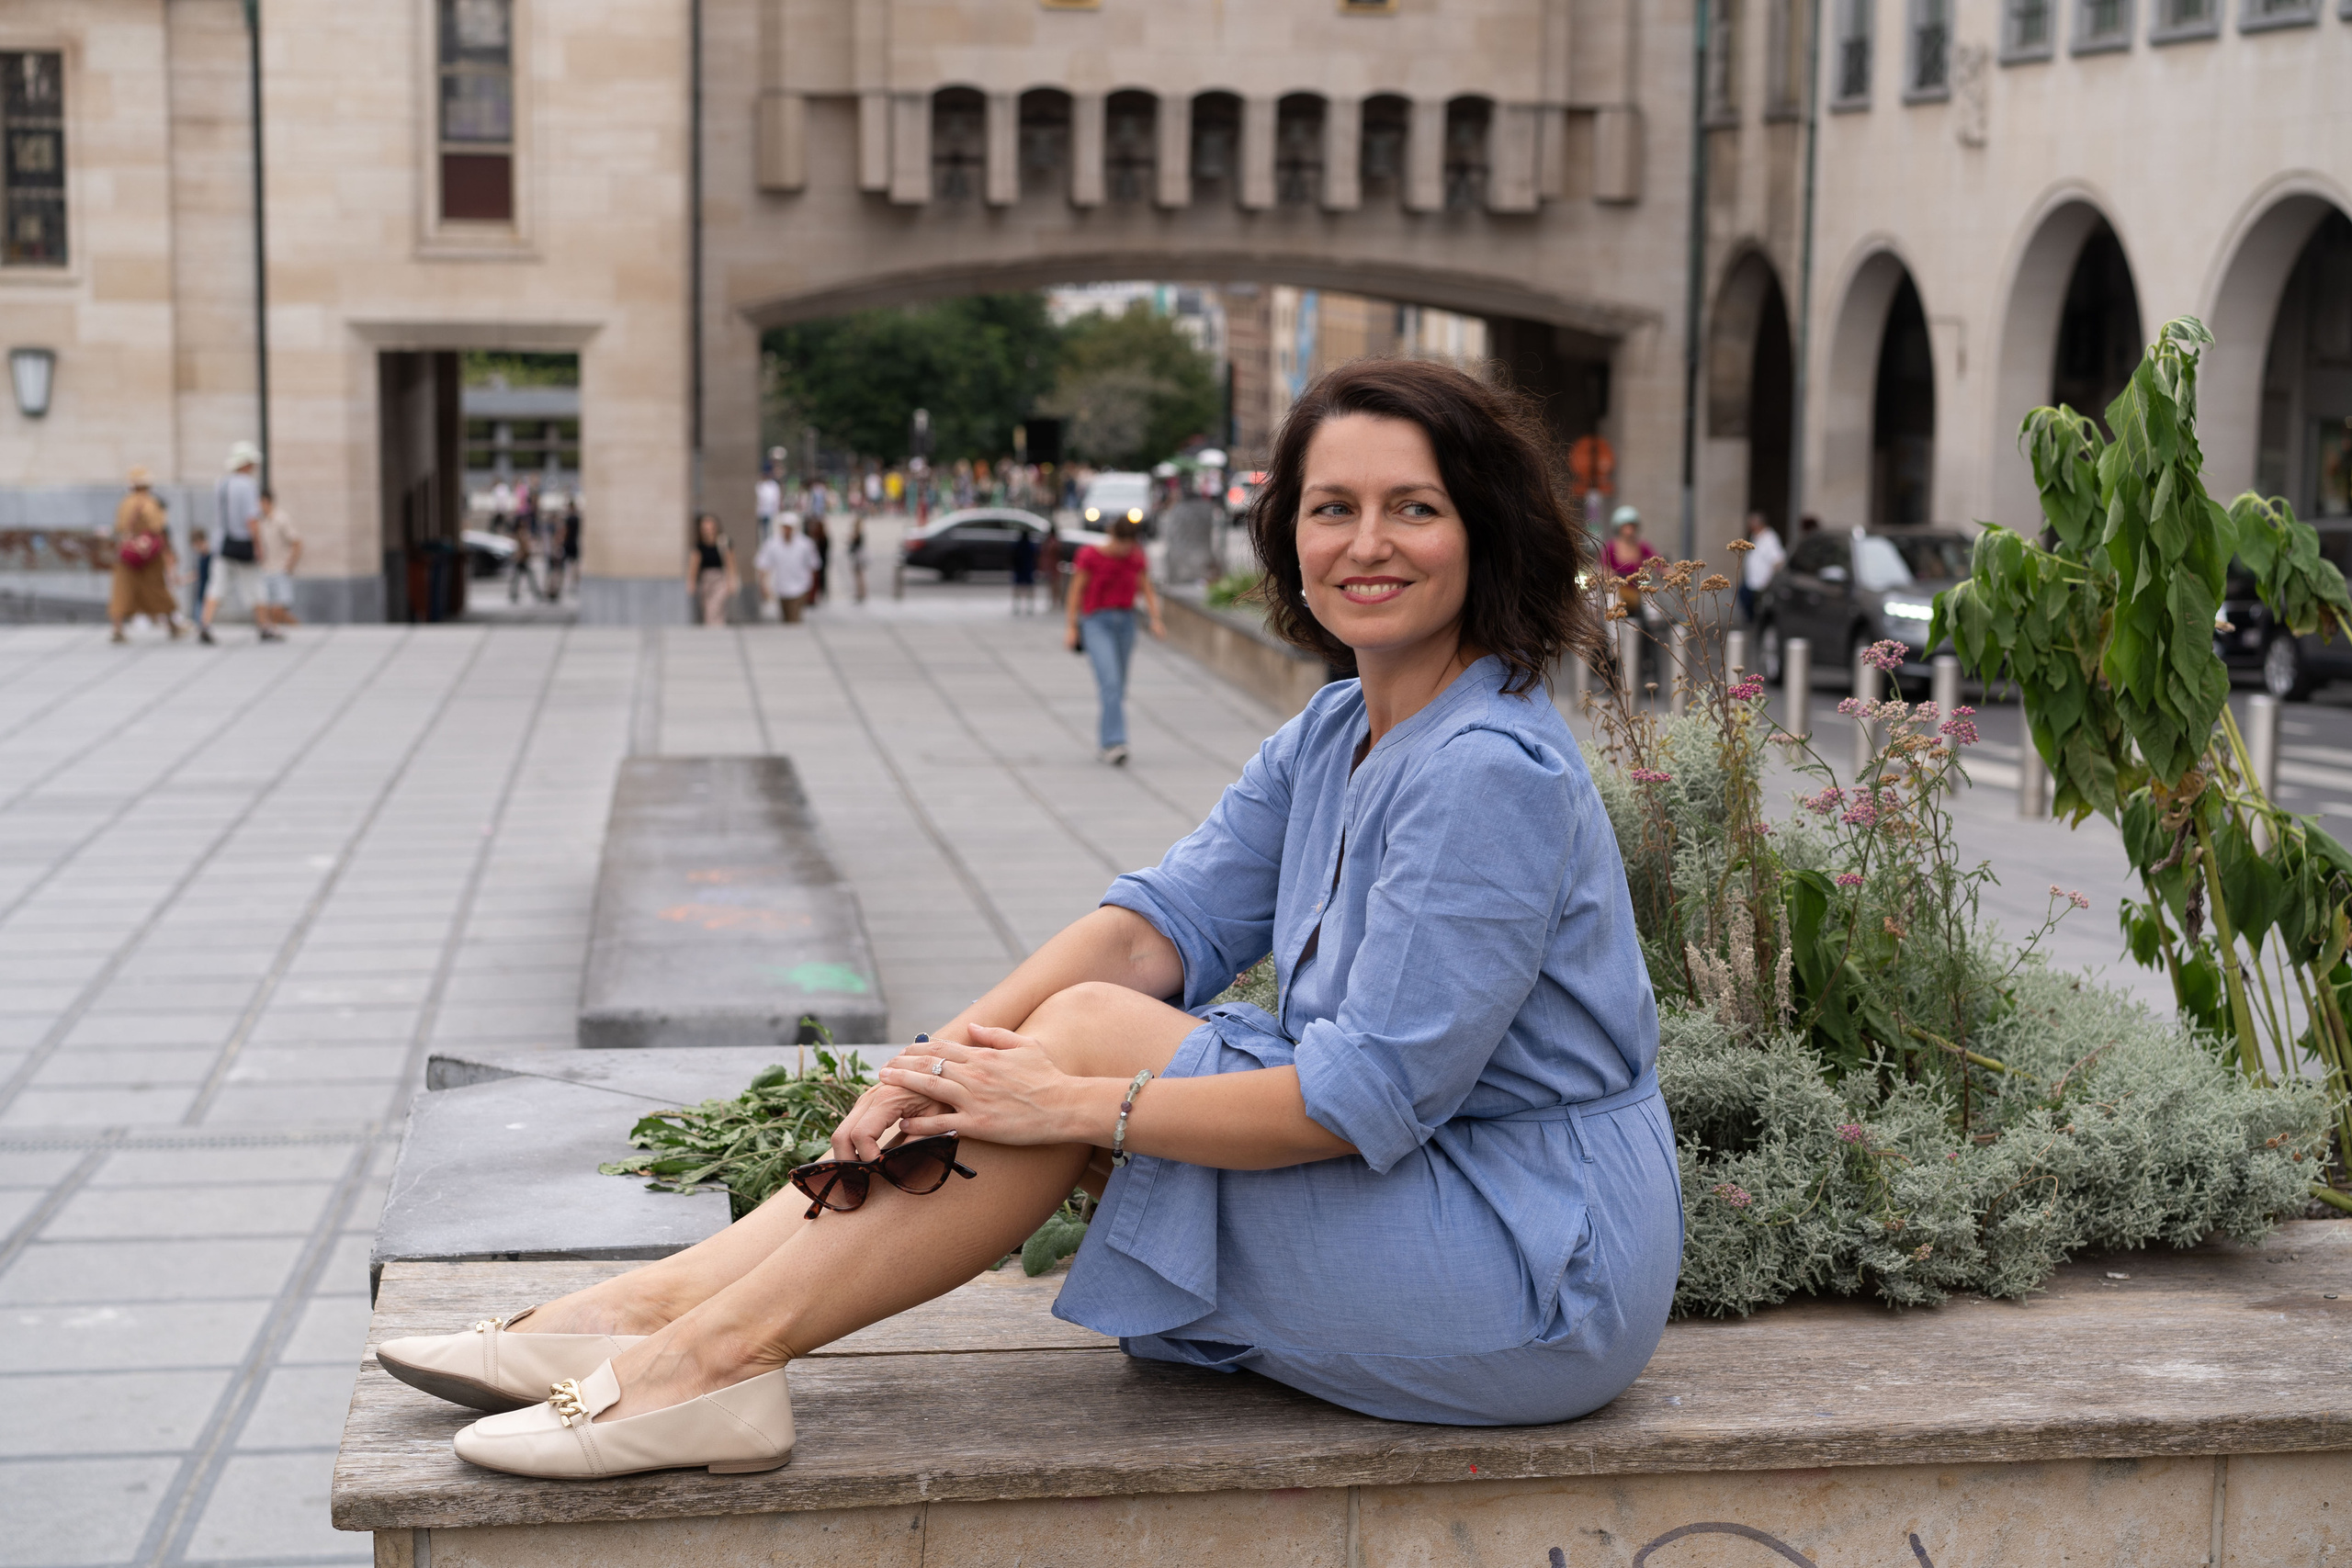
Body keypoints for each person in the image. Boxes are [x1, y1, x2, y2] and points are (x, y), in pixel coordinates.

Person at [374, 358, 1679, 1480]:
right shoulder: (1343, 726)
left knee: (1073, 1049)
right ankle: (659, 1310)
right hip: (1416, 1199)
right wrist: (926, 1065)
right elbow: (1149, 927)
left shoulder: (1486, 772)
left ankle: (708, 1352)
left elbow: (1362, 1096)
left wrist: (1068, 1105)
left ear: (1486, 530)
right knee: (1056, 1030)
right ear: (1287, 533)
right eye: (1331, 507)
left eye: (1415, 508)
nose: (1366, 542)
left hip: (1531, 1261)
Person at [1065, 516, 1165, 766]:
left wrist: (1155, 618)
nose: (1124, 549)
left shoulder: (1135, 557)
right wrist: (1071, 627)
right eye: (1121, 543)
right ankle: (1114, 742)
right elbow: (1076, 591)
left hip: (1126, 624)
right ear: (1112, 537)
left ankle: (1106, 739)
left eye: (1129, 544)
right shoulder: (1090, 556)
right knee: (1109, 682)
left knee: (1117, 687)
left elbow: (1146, 588)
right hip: (1096, 622)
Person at [108, 467, 182, 643]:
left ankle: (117, 628)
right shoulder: (151, 503)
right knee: (157, 590)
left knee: (122, 591)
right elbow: (157, 527)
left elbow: (119, 526)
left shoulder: (125, 503)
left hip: (128, 554)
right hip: (149, 557)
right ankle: (172, 624)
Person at [201, 441, 265, 646]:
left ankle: (205, 623)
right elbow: (251, 519)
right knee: (254, 585)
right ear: (246, 464)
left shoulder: (222, 483)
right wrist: (258, 545)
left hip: (222, 543)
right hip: (242, 543)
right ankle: (265, 626)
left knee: (216, 585)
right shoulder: (247, 486)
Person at [755, 513, 819, 623]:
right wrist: (764, 586)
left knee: (794, 618)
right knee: (785, 618)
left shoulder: (805, 544)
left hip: (800, 587)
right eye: (785, 527)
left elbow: (813, 565)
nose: (787, 530)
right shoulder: (772, 544)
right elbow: (763, 565)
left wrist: (811, 588)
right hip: (781, 587)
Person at [254, 491, 302, 639]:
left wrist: (289, 565)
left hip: (279, 568)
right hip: (264, 569)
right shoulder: (258, 521)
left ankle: (299, 628)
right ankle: (273, 631)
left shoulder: (281, 519)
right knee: (266, 608)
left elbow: (297, 542)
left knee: (278, 610)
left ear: (267, 502)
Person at [687, 513, 738, 626]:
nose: (708, 531)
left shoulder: (724, 542)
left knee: (714, 608)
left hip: (720, 580)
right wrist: (691, 583)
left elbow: (730, 564)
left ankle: (714, 631)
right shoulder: (699, 546)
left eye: (710, 528)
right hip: (705, 581)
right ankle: (716, 631)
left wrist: (732, 581)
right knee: (708, 609)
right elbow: (694, 566)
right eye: (705, 528)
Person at [1736, 511, 1785, 624]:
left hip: (1762, 584)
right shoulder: (1755, 537)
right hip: (1752, 582)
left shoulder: (1770, 538)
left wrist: (1771, 581)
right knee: (1744, 598)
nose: (1750, 527)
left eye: (1752, 524)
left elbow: (1779, 560)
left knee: (1758, 610)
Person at [1010, 525, 1040, 615]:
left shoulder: (1017, 545)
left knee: (1018, 589)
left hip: (1020, 569)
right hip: (1027, 569)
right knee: (1029, 589)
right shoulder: (1030, 546)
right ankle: (1029, 607)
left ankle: (1016, 607)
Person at [806, 515, 831, 606]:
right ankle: (813, 596)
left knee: (820, 579)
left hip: (820, 562)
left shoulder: (822, 537)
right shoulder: (814, 536)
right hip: (817, 562)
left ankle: (818, 595)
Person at [845, 515, 870, 604]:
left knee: (859, 576)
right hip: (858, 556)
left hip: (858, 557)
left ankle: (860, 593)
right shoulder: (859, 532)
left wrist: (849, 537)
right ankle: (861, 592)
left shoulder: (858, 533)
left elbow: (853, 540)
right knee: (859, 576)